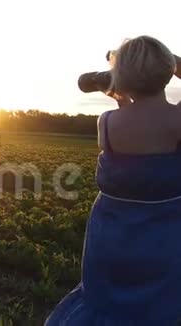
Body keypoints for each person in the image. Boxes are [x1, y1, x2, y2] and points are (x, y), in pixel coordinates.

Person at [46, 36, 181, 325]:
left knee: (109, 302)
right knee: (161, 303)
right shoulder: (177, 120)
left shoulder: (107, 122)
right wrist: (172, 62)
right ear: (168, 72)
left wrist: (120, 92)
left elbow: (133, 155)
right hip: (166, 234)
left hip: (113, 233)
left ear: (121, 79)